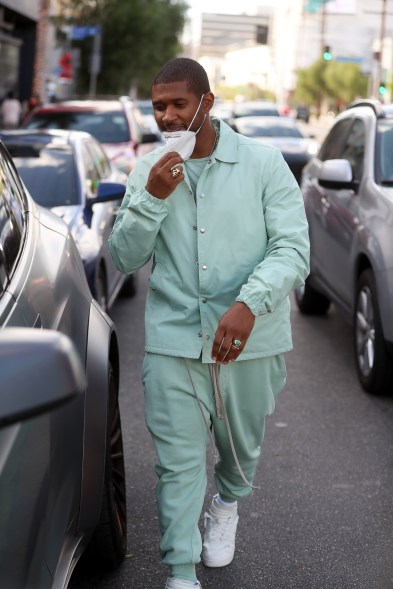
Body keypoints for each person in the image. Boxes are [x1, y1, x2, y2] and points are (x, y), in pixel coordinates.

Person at [109, 57, 310, 589]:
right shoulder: (147, 171)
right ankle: (179, 571)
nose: (169, 117)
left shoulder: (264, 164)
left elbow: (292, 248)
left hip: (252, 341)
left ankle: (227, 503)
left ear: (206, 103)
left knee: (240, 449)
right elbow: (125, 259)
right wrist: (151, 198)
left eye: (179, 104)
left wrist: (249, 304)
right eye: (159, 107)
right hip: (173, 341)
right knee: (177, 463)